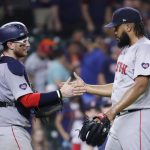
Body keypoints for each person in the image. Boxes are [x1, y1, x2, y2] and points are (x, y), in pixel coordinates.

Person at [73, 7, 150, 150]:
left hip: (138, 117)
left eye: (116, 27)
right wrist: (86, 87)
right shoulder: (126, 50)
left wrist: (111, 112)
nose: (114, 32)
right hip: (120, 118)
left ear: (128, 26)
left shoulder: (145, 47)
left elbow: (141, 85)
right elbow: (118, 87)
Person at [0, 22, 82, 150]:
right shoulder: (12, 65)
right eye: (23, 41)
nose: (28, 45)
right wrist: (60, 93)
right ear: (10, 45)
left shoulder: (2, 64)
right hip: (11, 130)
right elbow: (27, 100)